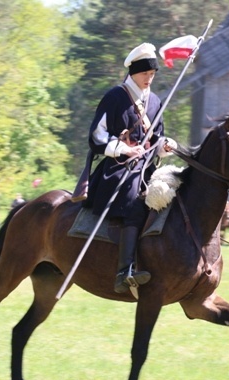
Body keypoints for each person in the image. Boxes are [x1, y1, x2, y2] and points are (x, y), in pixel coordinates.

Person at [83, 42, 178, 294]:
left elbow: (157, 139)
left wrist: (164, 146)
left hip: (146, 166)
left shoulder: (156, 101)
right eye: (145, 74)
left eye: (153, 74)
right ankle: (124, 270)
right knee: (135, 201)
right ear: (133, 72)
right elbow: (97, 138)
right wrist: (125, 149)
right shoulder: (115, 97)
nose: (149, 78)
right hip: (117, 167)